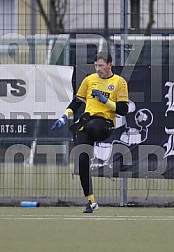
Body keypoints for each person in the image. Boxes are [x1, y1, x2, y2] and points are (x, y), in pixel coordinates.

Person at [51, 51, 129, 213]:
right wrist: (64, 117)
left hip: (105, 124)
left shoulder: (119, 82)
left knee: (91, 124)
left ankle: (84, 120)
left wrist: (105, 100)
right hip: (86, 126)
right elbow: (77, 102)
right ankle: (91, 201)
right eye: (95, 66)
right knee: (82, 160)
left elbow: (123, 109)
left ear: (109, 65)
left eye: (101, 65)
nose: (98, 69)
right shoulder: (89, 80)